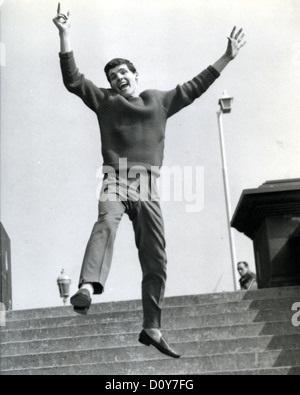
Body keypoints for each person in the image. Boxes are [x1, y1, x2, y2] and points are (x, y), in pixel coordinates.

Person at [53, 3, 246, 359]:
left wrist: (226, 58)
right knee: (106, 222)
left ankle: (152, 326)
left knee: (155, 256)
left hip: (148, 187)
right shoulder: (106, 101)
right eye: (113, 77)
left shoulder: (158, 101)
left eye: (124, 73)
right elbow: (74, 80)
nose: (118, 79)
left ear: (135, 75)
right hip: (114, 179)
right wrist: (65, 34)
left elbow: (194, 87)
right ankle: (86, 287)